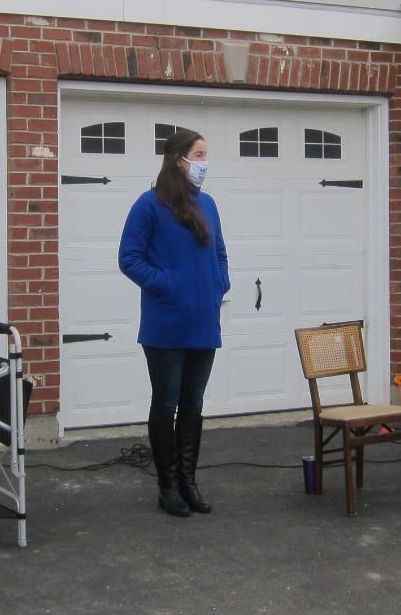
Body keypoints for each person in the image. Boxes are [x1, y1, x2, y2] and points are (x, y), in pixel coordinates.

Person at [118, 129, 230, 518]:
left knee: (193, 404)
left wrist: (219, 286)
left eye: (205, 154)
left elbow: (220, 254)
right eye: (198, 154)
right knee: (166, 403)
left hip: (204, 323)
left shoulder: (209, 205)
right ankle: (167, 486)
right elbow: (129, 257)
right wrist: (166, 284)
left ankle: (188, 481)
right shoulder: (149, 205)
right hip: (165, 324)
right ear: (178, 160)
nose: (204, 162)